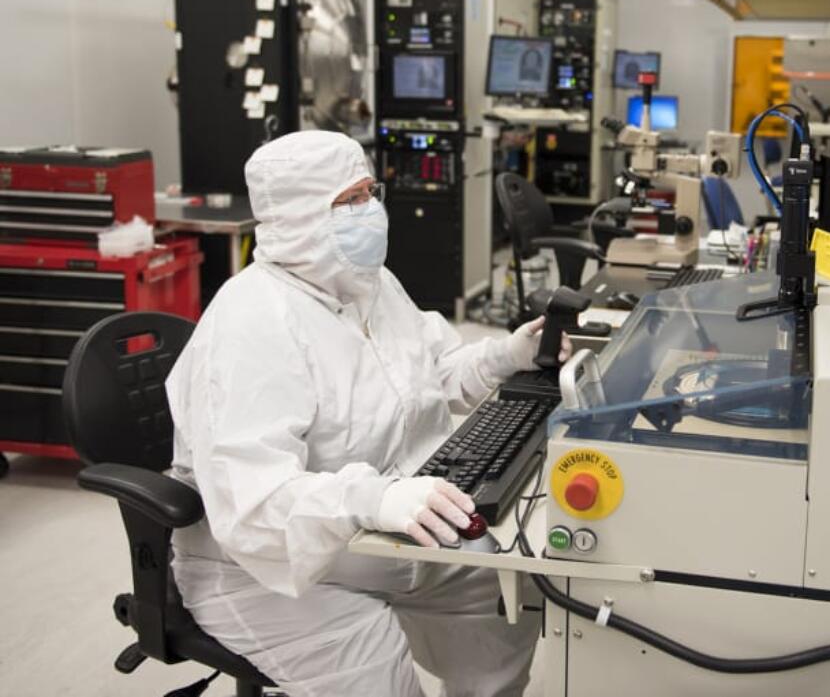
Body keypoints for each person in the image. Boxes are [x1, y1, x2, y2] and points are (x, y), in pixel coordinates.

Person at [167, 131, 566, 696]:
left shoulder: (370, 285)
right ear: (300, 216)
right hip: (273, 566)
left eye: (369, 193)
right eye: (348, 201)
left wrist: (506, 355)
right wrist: (371, 498)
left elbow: (436, 374)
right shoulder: (251, 322)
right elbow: (254, 505)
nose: (370, 212)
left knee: (505, 594)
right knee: (378, 674)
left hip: (384, 533)